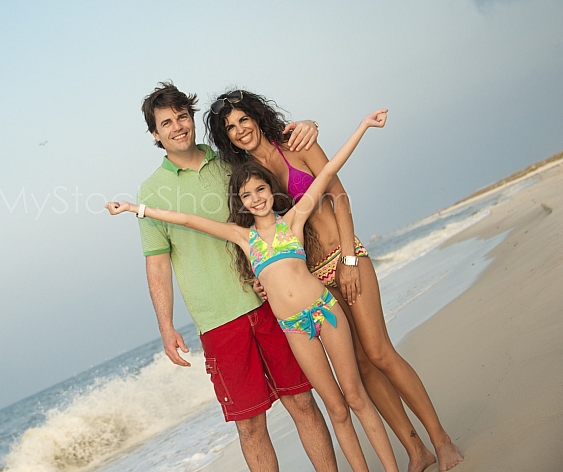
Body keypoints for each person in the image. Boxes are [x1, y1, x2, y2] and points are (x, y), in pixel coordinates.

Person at [109, 109, 398, 472]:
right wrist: (134, 208)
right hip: (293, 327)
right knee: (336, 408)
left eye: (261, 189)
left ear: (271, 190)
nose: (257, 198)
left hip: (326, 310)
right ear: (240, 202)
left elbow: (328, 172)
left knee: (355, 397)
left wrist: (362, 126)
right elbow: (186, 219)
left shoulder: (293, 219)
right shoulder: (243, 237)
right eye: (247, 195)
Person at [204, 90, 464, 472]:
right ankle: (416, 450)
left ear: (257, 116)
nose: (241, 129)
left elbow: (338, 195)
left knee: (379, 352)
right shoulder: (249, 176)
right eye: (231, 127)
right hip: (313, 279)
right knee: (360, 366)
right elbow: (262, 237)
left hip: (343, 255)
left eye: (244, 119)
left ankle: (441, 441)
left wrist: (349, 258)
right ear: (226, 137)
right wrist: (266, 278)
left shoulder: (296, 142)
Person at [129, 82, 336, 472]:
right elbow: (157, 263)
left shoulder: (230, 161)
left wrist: (307, 125)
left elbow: (270, 151)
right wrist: (166, 326)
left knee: (302, 401)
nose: (177, 127)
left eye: (182, 117)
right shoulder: (151, 192)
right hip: (218, 320)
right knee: (250, 425)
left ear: (192, 118)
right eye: (166, 123)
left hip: (271, 302)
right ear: (155, 135)